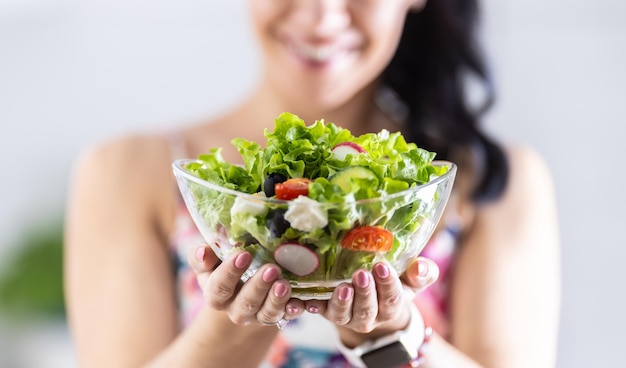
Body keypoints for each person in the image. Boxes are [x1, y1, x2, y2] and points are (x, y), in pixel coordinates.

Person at [64, 0, 561, 367]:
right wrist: (235, 324)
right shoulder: (129, 170)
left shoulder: (490, 181)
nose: (322, 15)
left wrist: (389, 332)